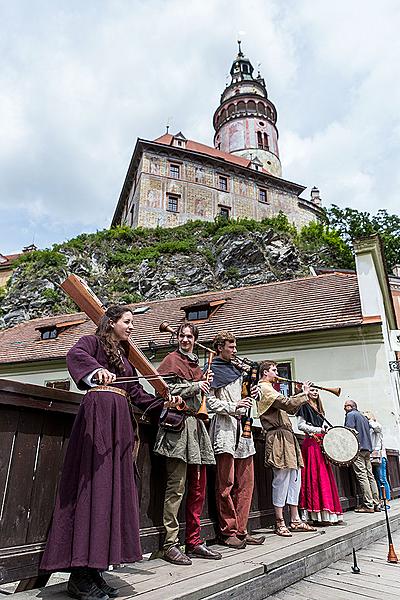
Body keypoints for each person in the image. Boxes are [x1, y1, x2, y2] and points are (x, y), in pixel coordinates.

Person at [40, 306, 166, 600]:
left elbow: (137, 393)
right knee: (93, 490)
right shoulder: (91, 342)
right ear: (111, 322)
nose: (132, 328)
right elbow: (75, 356)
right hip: (97, 422)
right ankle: (79, 576)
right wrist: (96, 372)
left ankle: (95, 570)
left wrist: (166, 403)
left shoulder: (125, 360)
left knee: (111, 493)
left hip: (118, 427)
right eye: (127, 322)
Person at [154, 323, 222, 565]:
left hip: (196, 428)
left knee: (197, 488)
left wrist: (205, 384)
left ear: (195, 339)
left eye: (189, 336)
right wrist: (196, 385)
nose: (185, 340)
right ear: (177, 338)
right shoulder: (171, 360)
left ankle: (193, 541)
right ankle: (170, 544)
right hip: (177, 427)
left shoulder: (196, 365)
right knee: (177, 487)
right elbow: (163, 389)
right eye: (181, 336)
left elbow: (202, 397)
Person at [207, 331, 265, 549]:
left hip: (245, 430)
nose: (235, 350)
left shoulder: (239, 370)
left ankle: (242, 530)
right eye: (231, 347)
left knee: (246, 483)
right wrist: (233, 407)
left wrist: (255, 393)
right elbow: (209, 402)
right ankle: (228, 531)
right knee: (226, 483)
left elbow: (246, 396)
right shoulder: (213, 370)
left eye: (235, 346)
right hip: (225, 428)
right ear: (220, 347)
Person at [257, 360, 317, 537]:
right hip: (277, 436)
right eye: (274, 370)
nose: (277, 373)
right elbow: (287, 404)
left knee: (294, 478)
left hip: (287, 435)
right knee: (281, 478)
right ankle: (279, 521)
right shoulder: (264, 388)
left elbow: (290, 410)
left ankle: (295, 519)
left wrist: (300, 394)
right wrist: (304, 394)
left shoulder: (272, 389)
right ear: (264, 373)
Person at [297, 388, 343, 525]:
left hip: (321, 444)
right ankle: (315, 514)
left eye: (317, 390)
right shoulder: (303, 406)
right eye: (312, 390)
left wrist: (326, 430)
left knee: (324, 476)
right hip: (311, 444)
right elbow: (300, 425)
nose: (315, 392)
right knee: (314, 476)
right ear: (307, 392)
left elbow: (322, 425)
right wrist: (319, 430)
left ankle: (329, 514)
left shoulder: (320, 409)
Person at [344, 400, 380, 513]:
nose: (344, 408)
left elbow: (349, 432)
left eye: (345, 406)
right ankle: (376, 503)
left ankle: (368, 505)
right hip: (367, 448)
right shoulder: (364, 416)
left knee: (362, 476)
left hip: (358, 448)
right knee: (370, 476)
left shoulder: (350, 415)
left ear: (350, 407)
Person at [364, 411, 391, 507]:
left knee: (382, 478)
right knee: (375, 479)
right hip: (370, 457)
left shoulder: (376, 425)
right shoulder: (367, 428)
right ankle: (380, 499)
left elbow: (377, 428)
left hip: (379, 457)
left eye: (366, 417)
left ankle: (386, 500)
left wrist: (370, 420)